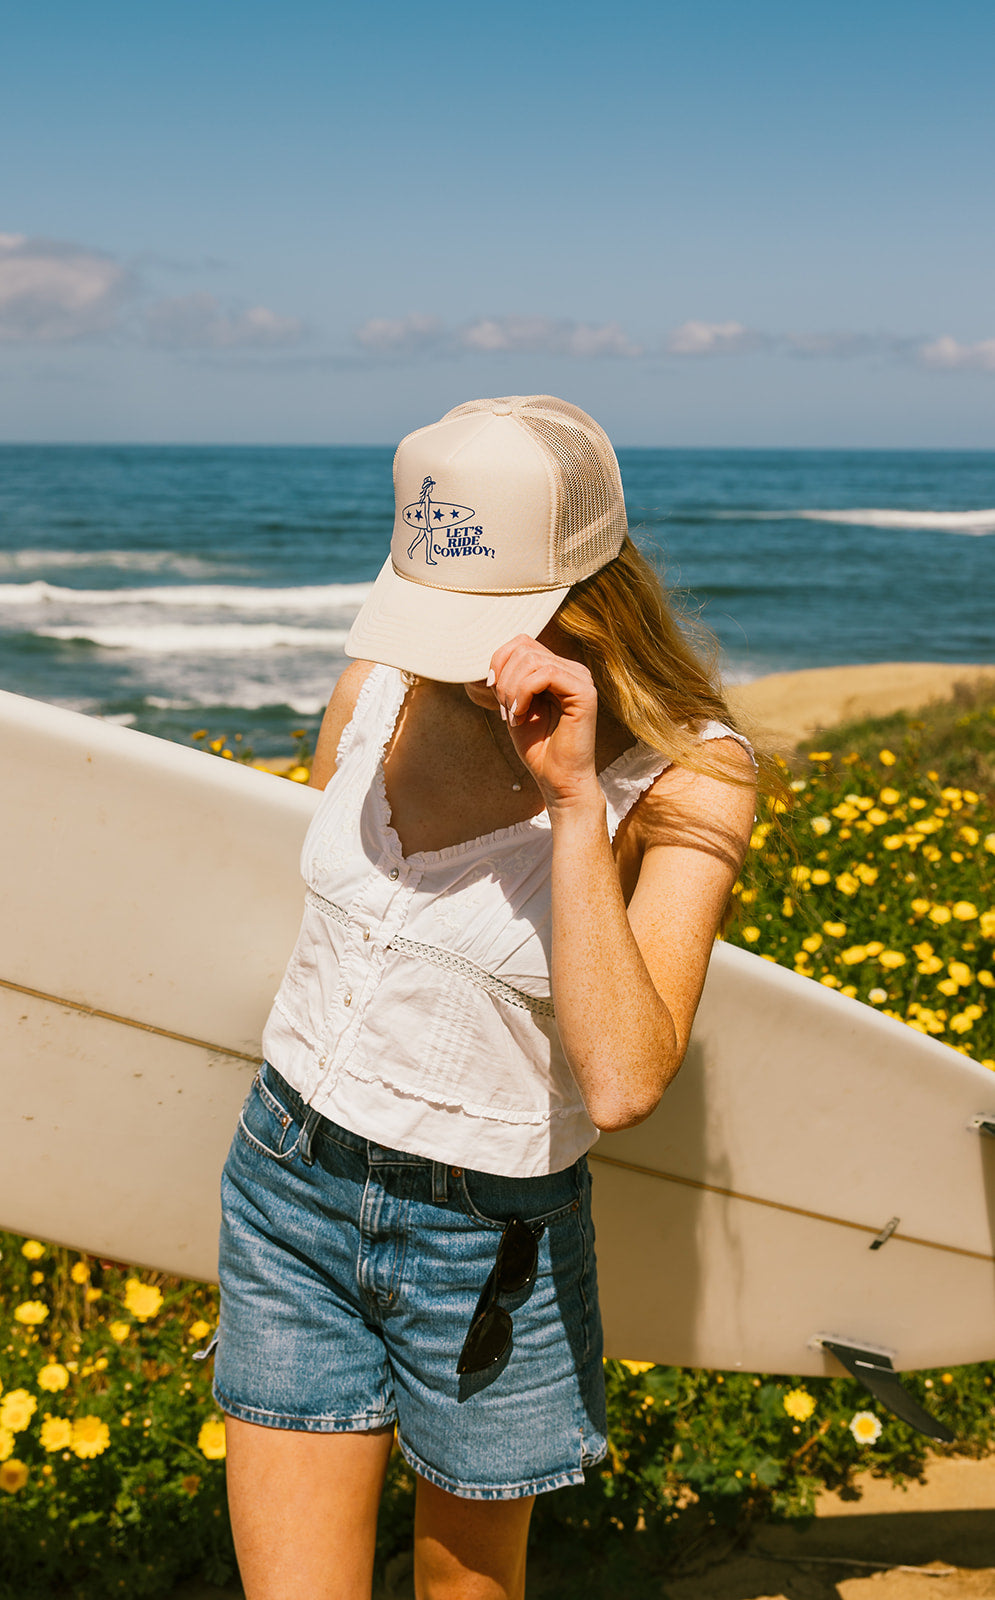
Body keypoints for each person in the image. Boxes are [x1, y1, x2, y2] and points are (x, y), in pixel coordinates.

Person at [212, 396, 762, 1600]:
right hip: (286, 1178)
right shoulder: (374, 686)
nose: (444, 645)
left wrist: (572, 806)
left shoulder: (689, 777)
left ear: (586, 593)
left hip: (485, 1238)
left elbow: (622, 1079)